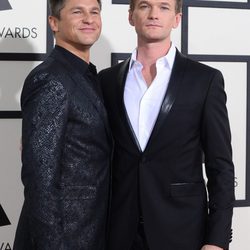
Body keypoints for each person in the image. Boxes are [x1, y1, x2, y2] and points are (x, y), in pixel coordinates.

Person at [98, 0, 235, 249]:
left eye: (163, 7)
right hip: (119, 232)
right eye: (144, 6)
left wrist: (216, 240)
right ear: (131, 16)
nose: (153, 14)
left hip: (182, 230)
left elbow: (221, 167)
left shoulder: (204, 80)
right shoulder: (106, 82)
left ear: (177, 19)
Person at [13, 0, 112, 249]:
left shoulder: (89, 77)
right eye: (78, 12)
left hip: (91, 233)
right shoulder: (50, 79)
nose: (89, 19)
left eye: (94, 12)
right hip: (63, 240)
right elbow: (40, 179)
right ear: (53, 23)